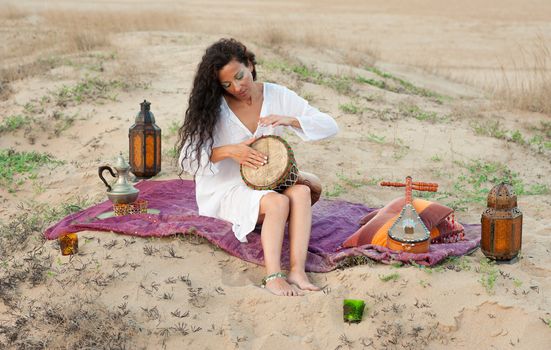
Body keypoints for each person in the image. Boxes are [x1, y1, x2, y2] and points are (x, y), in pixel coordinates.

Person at [176, 38, 338, 296]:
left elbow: (329, 125)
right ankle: (273, 276)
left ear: (250, 64)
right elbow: (186, 158)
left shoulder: (277, 95)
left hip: (265, 183)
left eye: (240, 76)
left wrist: (291, 120)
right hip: (226, 189)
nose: (237, 87)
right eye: (227, 84)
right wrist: (231, 151)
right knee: (278, 203)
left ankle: (297, 271)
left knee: (302, 192)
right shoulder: (213, 107)